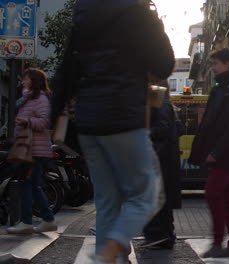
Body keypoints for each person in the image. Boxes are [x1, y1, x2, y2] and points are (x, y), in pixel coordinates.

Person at [52, 1, 175, 263]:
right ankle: (107, 254)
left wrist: (52, 116)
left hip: (88, 122)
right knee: (148, 196)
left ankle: (108, 256)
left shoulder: (83, 13)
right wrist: (155, 24)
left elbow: (65, 71)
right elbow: (164, 65)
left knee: (108, 204)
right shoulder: (138, 12)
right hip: (123, 117)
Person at [188, 48, 229, 258]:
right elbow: (208, 123)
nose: (213, 68)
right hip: (218, 153)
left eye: (215, 63)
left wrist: (216, 151)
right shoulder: (219, 90)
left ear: (227, 64)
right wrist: (200, 150)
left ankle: (218, 241)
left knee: (213, 193)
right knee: (227, 198)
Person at [7, 68, 58, 235]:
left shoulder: (40, 99)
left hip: (34, 150)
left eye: (26, 79)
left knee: (26, 184)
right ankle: (48, 219)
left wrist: (26, 120)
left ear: (34, 81)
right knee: (32, 185)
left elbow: (45, 121)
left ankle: (27, 222)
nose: (23, 81)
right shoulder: (27, 99)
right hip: (29, 149)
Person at [142, 86, 182, 250]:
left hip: (159, 158)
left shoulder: (160, 101)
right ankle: (163, 235)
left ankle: (159, 234)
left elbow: (163, 128)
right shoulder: (161, 101)